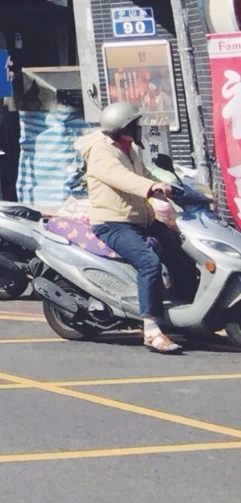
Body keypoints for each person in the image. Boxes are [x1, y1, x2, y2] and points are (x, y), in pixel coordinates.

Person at [76, 101, 198, 354]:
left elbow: (144, 175)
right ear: (123, 127)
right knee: (149, 263)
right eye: (135, 124)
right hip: (112, 223)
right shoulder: (101, 151)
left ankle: (188, 314)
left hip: (140, 219)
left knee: (183, 251)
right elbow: (119, 177)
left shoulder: (127, 148)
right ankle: (151, 328)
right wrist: (150, 188)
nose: (139, 128)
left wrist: (173, 186)